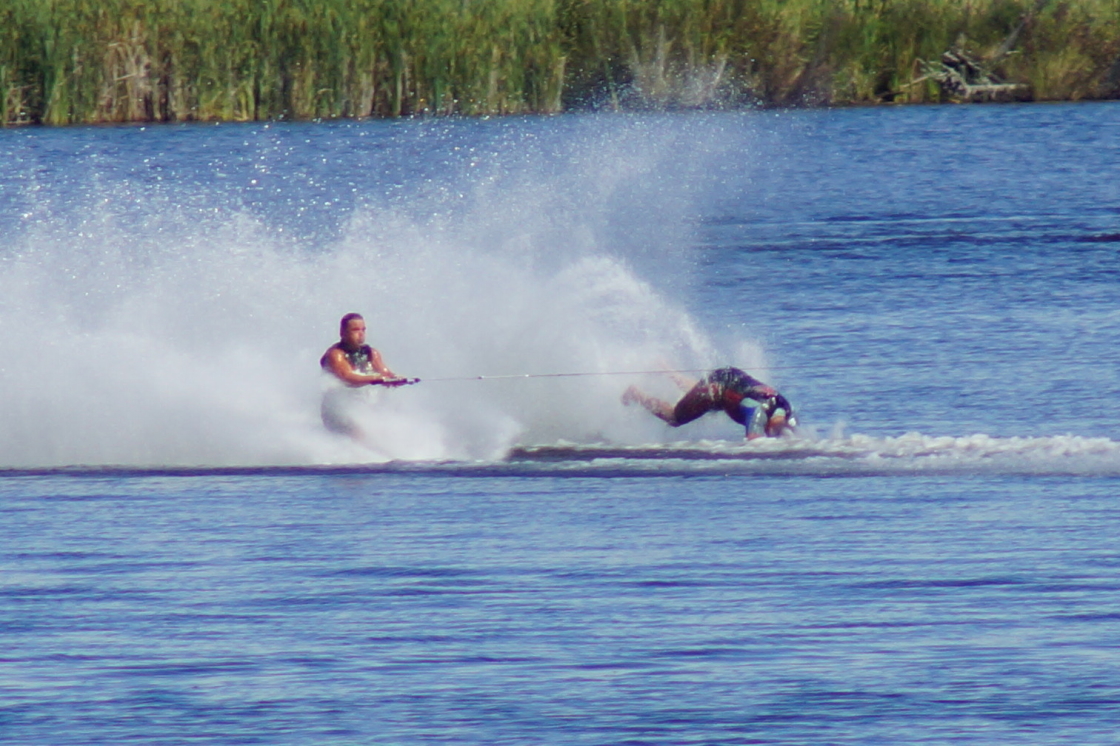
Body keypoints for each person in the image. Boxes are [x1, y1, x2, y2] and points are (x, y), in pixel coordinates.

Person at [622, 366, 796, 440]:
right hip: (718, 388)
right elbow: (754, 441)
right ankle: (636, 394)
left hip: (730, 378)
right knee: (675, 417)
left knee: (709, 401)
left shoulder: (787, 410)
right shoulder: (758, 412)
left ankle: (666, 370)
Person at [320, 312, 412, 437]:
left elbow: (385, 373)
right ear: (343, 333)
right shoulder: (336, 355)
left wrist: (396, 379)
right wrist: (377, 378)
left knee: (392, 418)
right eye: (355, 330)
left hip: (362, 405)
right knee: (360, 430)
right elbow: (348, 378)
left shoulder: (371, 353)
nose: (361, 334)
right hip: (337, 410)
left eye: (363, 330)